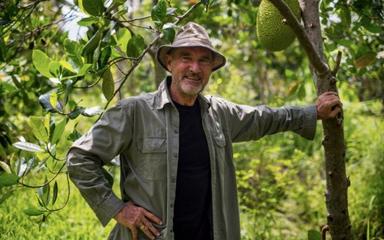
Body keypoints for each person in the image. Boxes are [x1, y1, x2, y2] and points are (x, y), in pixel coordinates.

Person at [67, 22, 342, 240]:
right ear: (170, 62)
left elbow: (264, 118)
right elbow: (80, 158)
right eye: (186, 57)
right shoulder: (134, 112)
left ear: (212, 68)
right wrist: (119, 210)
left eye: (204, 60)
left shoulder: (219, 113)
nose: (195, 68)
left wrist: (312, 112)